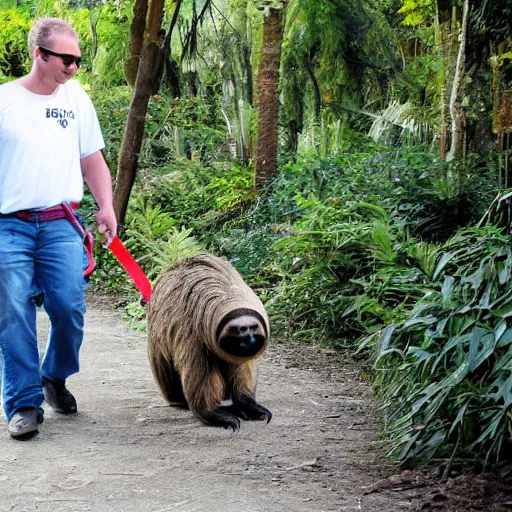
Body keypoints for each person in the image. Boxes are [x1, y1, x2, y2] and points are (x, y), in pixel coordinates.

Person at [0, 17, 117, 439]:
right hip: (8, 227)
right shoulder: (5, 101)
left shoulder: (76, 98)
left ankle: (55, 374)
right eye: (66, 60)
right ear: (39, 55)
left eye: (78, 60)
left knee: (69, 308)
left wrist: (105, 207)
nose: (74, 68)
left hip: (60, 223)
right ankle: (24, 404)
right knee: (13, 313)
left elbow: (92, 159)